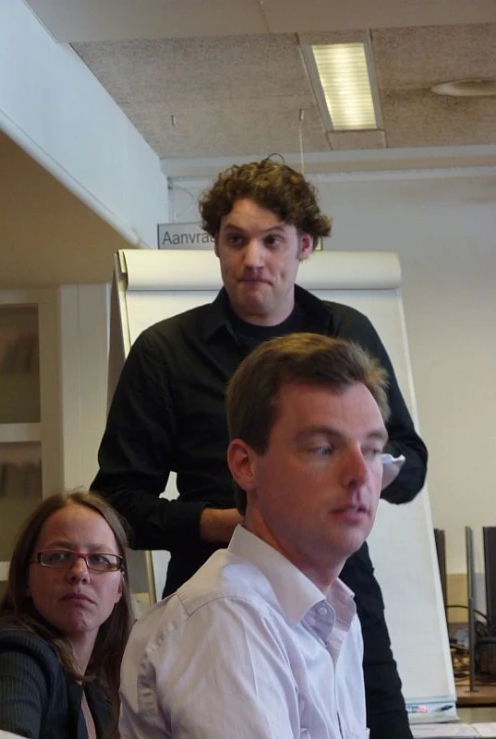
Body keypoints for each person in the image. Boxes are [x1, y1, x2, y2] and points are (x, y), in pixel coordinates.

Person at [92, 157, 428, 738]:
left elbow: (412, 462)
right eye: (235, 239)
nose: (253, 259)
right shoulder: (165, 351)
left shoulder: (345, 332)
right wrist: (226, 524)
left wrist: (362, 474)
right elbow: (116, 504)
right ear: (216, 248)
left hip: (335, 583)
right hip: (224, 582)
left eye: (272, 241)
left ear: (304, 246)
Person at [119, 333, 392, 738]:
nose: (359, 475)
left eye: (371, 450)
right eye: (323, 448)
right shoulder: (227, 619)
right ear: (245, 465)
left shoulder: (333, 614)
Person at [0, 491, 134, 739]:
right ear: (25, 580)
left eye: (99, 559)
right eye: (59, 556)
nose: (79, 572)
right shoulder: (15, 654)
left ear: (119, 586)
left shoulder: (98, 686)